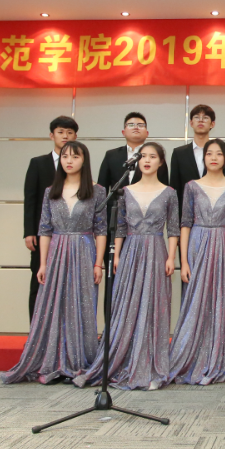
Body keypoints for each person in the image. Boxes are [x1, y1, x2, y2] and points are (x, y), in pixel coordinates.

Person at [75, 143, 179, 391]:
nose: (147, 161)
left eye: (153, 157)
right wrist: (117, 255)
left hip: (156, 250)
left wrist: (171, 257)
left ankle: (150, 366)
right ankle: (122, 361)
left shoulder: (169, 193)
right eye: (143, 156)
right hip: (130, 250)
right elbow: (120, 227)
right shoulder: (124, 192)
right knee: (126, 305)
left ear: (161, 162)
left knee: (153, 305)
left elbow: (173, 228)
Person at [3, 140, 105, 384]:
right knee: (53, 304)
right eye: (65, 156)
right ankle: (52, 361)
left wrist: (98, 263)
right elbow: (45, 229)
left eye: (75, 157)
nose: (69, 161)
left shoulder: (97, 191)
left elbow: (101, 230)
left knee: (82, 304)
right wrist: (43, 263)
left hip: (84, 250)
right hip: (56, 252)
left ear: (84, 160)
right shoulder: (51, 191)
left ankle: (79, 361)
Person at [168, 139, 225, 385]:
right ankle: (189, 359)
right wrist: (184, 261)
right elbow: (185, 223)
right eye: (209, 153)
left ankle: (217, 361)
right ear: (204, 158)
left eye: (218, 154)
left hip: (224, 246)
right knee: (194, 302)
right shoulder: (192, 187)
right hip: (197, 246)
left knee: (221, 303)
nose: (213, 157)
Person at [23, 115, 77, 319]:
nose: (65, 136)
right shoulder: (38, 163)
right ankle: (35, 330)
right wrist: (29, 231)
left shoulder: (79, 166)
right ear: (51, 135)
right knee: (39, 279)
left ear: (75, 137)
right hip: (42, 233)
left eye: (70, 132)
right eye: (60, 132)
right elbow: (30, 199)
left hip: (70, 234)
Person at [169, 104, 225, 218]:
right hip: (185, 216)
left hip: (216, 216)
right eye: (197, 117)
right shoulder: (179, 153)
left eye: (205, 118)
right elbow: (175, 189)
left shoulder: (223, 153)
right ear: (191, 123)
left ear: (212, 124)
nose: (201, 120)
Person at [97, 111, 168, 189]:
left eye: (140, 125)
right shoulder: (111, 155)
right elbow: (101, 188)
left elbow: (164, 187)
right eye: (131, 125)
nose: (136, 127)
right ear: (123, 132)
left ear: (147, 133)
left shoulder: (156, 156)